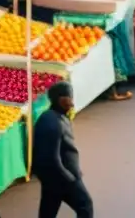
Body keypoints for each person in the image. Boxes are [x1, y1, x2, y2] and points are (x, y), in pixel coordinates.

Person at [34, 82, 93, 218]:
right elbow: (51, 157)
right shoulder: (53, 123)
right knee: (85, 204)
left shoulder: (56, 116)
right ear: (61, 99)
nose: (72, 102)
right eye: (69, 97)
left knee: (48, 210)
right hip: (60, 177)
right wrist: (70, 178)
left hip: (56, 176)